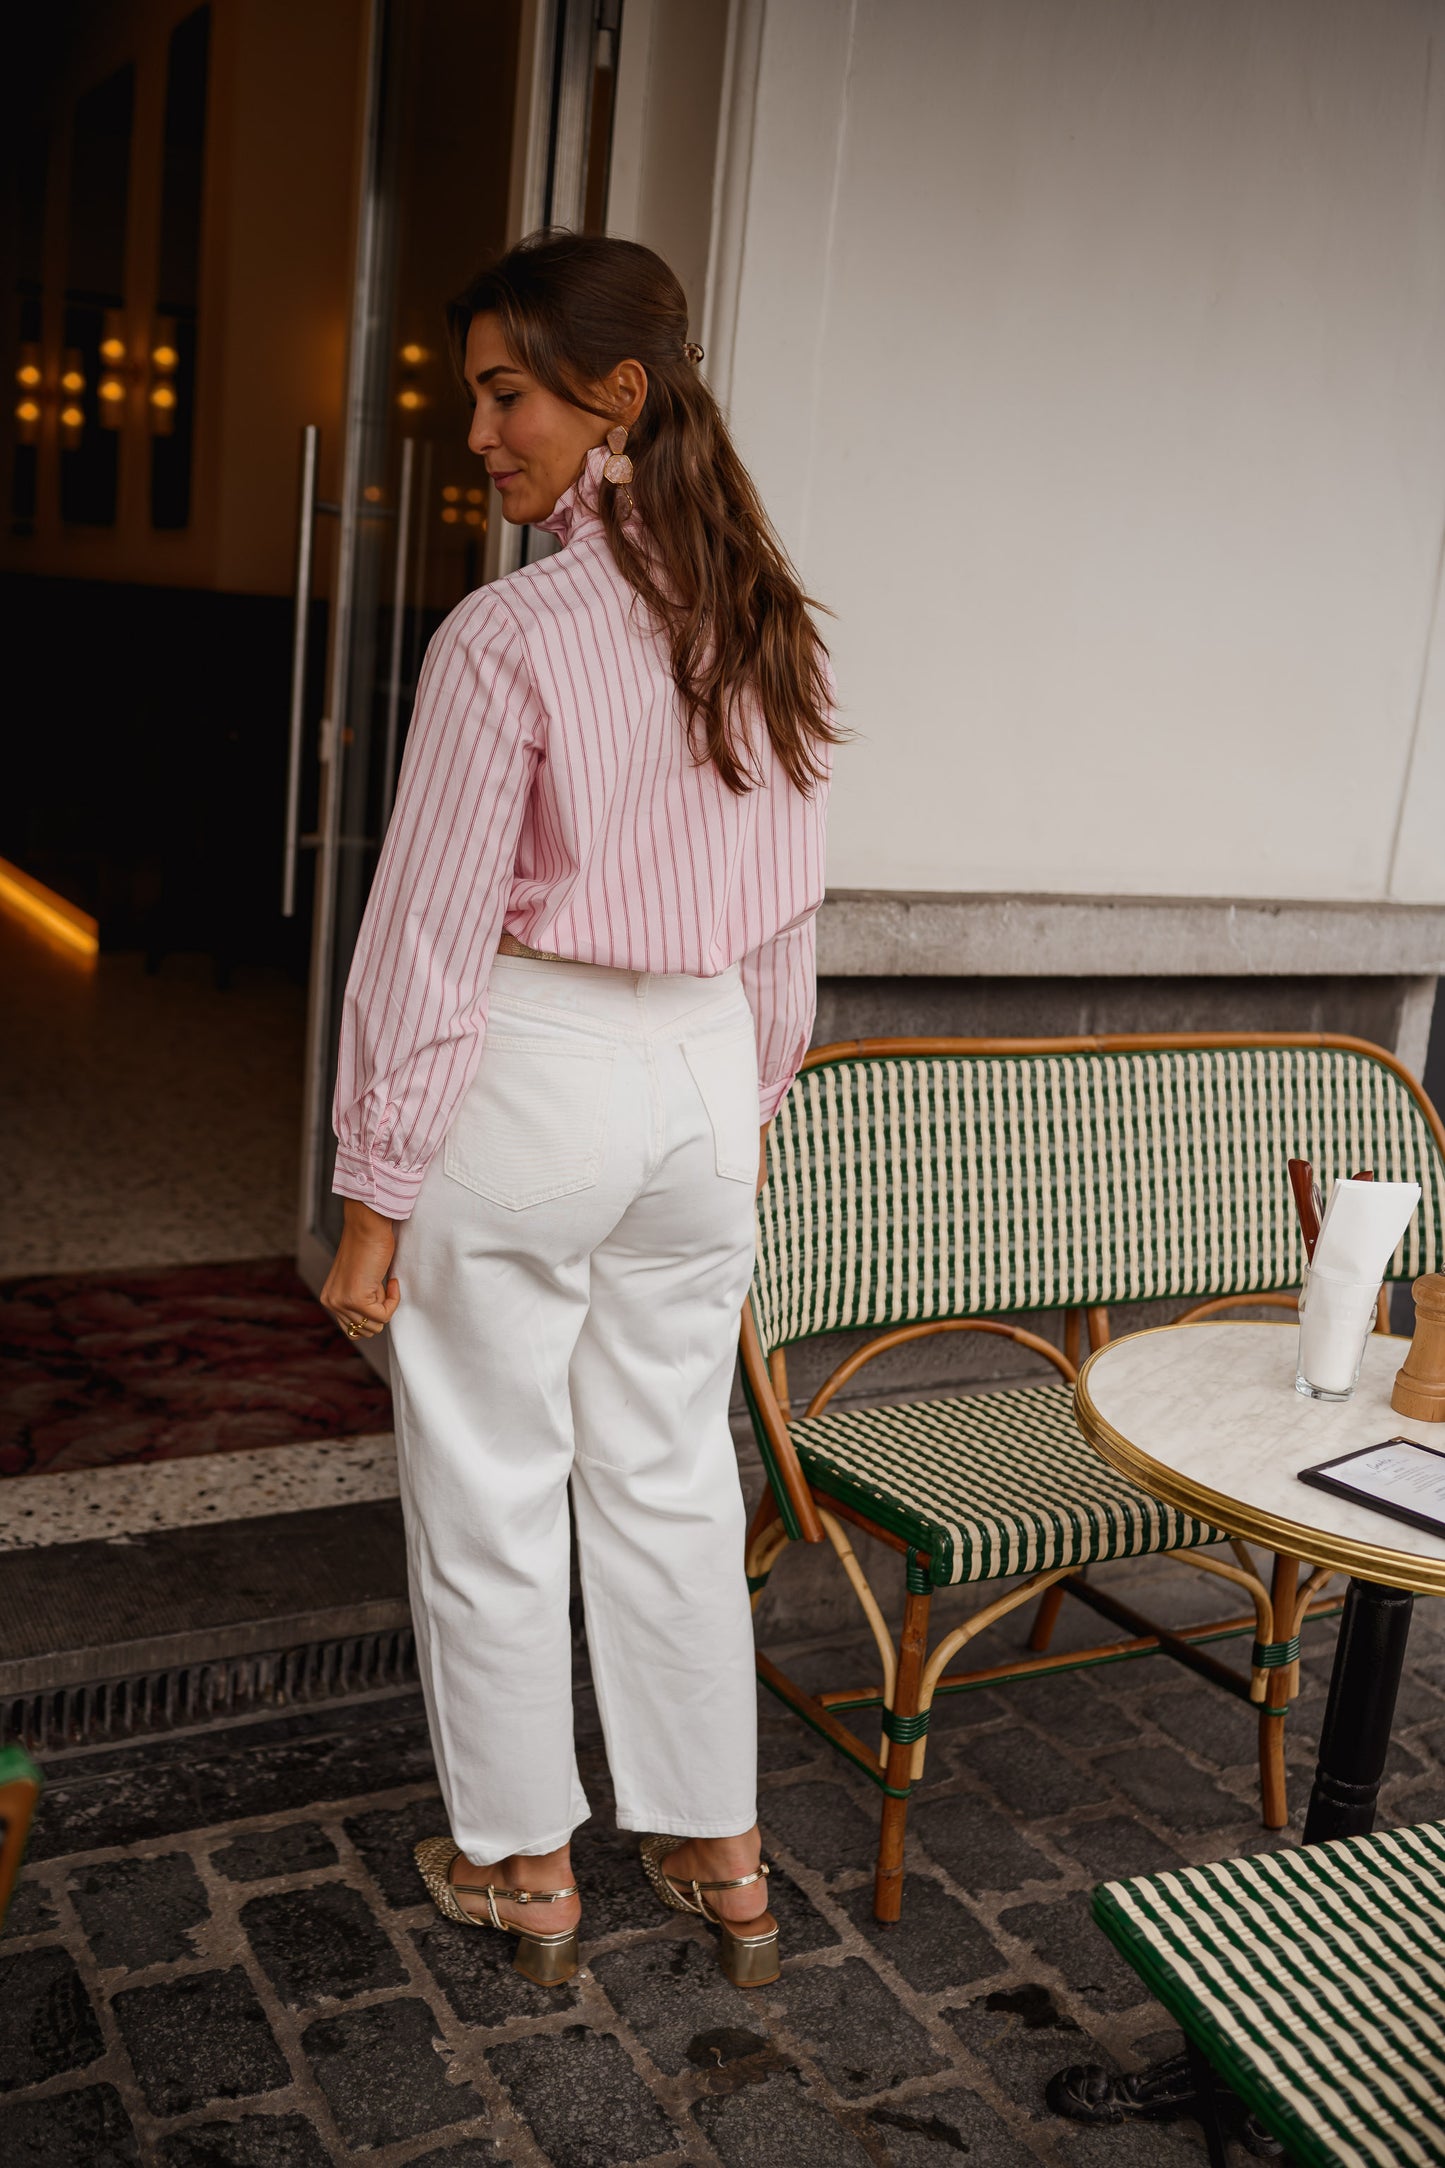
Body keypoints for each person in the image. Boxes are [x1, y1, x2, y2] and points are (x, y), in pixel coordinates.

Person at [321, 231, 836, 1988]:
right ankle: (723, 1855)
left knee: (488, 1476)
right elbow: (784, 940)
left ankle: (525, 1873)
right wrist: (734, 1118)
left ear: (617, 397)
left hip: (532, 1074)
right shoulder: (770, 630)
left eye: (503, 391)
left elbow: (427, 931)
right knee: (672, 1475)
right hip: (703, 1088)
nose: (476, 428)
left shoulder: (508, 634)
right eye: (476, 393)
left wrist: (374, 1196)